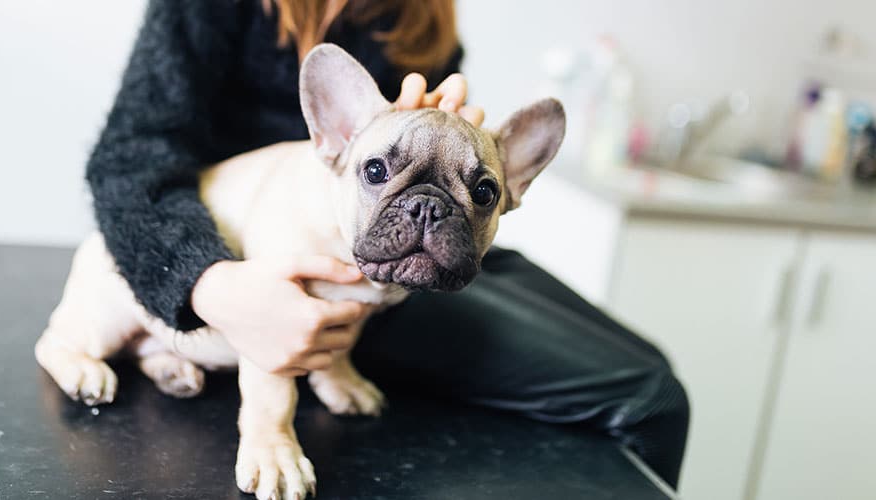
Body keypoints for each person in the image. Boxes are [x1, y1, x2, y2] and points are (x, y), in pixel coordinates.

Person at [86, 0, 690, 488]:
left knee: (651, 375)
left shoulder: (424, 16)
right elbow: (128, 163)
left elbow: (437, 161)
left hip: (410, 263)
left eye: (488, 192)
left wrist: (445, 140)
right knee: (645, 394)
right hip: (255, 250)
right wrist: (210, 284)